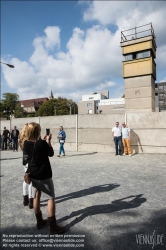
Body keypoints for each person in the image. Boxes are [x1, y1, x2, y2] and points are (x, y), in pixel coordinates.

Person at [23, 122, 66, 234]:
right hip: (44, 174)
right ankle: (53, 226)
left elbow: (35, 149)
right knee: (50, 197)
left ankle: (39, 221)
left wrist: (43, 141)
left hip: (33, 174)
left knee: (36, 195)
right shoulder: (41, 143)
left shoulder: (26, 143)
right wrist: (48, 141)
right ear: (36, 131)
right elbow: (50, 153)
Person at [19, 123, 33, 208]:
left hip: (25, 161)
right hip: (29, 162)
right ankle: (31, 200)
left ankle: (25, 198)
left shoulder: (23, 139)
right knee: (31, 181)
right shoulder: (29, 140)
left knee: (26, 180)